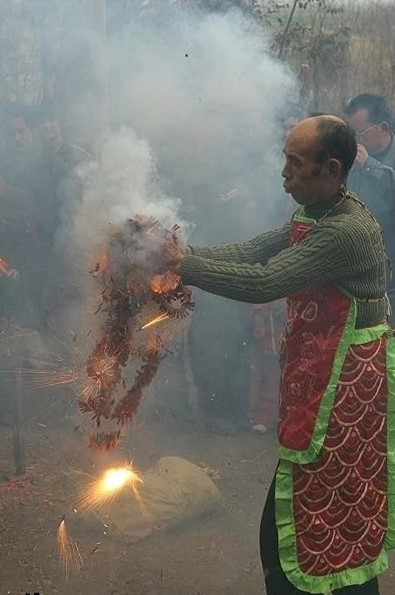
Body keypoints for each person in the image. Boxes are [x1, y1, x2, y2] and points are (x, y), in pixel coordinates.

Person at [170, 116, 394, 594]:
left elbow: (264, 280)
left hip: (345, 396)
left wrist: (182, 268)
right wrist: (179, 252)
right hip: (323, 382)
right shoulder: (314, 216)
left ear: (331, 170)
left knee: (330, 522)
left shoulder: (345, 231)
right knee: (302, 519)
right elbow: (254, 251)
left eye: (295, 163)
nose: (284, 173)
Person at [344, 94, 395, 323]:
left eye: (360, 132)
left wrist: (369, 166)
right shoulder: (352, 162)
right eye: (351, 132)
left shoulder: (367, 163)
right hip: (364, 270)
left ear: (383, 127)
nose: (356, 139)